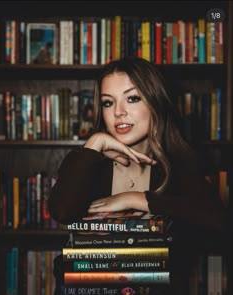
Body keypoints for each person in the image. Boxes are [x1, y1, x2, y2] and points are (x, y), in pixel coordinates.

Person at [48, 56, 227, 294]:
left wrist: (136, 198)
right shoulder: (87, 161)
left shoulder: (178, 165)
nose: (119, 113)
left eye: (132, 99)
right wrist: (95, 142)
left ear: (155, 104)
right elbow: (61, 212)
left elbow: (217, 221)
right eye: (108, 103)